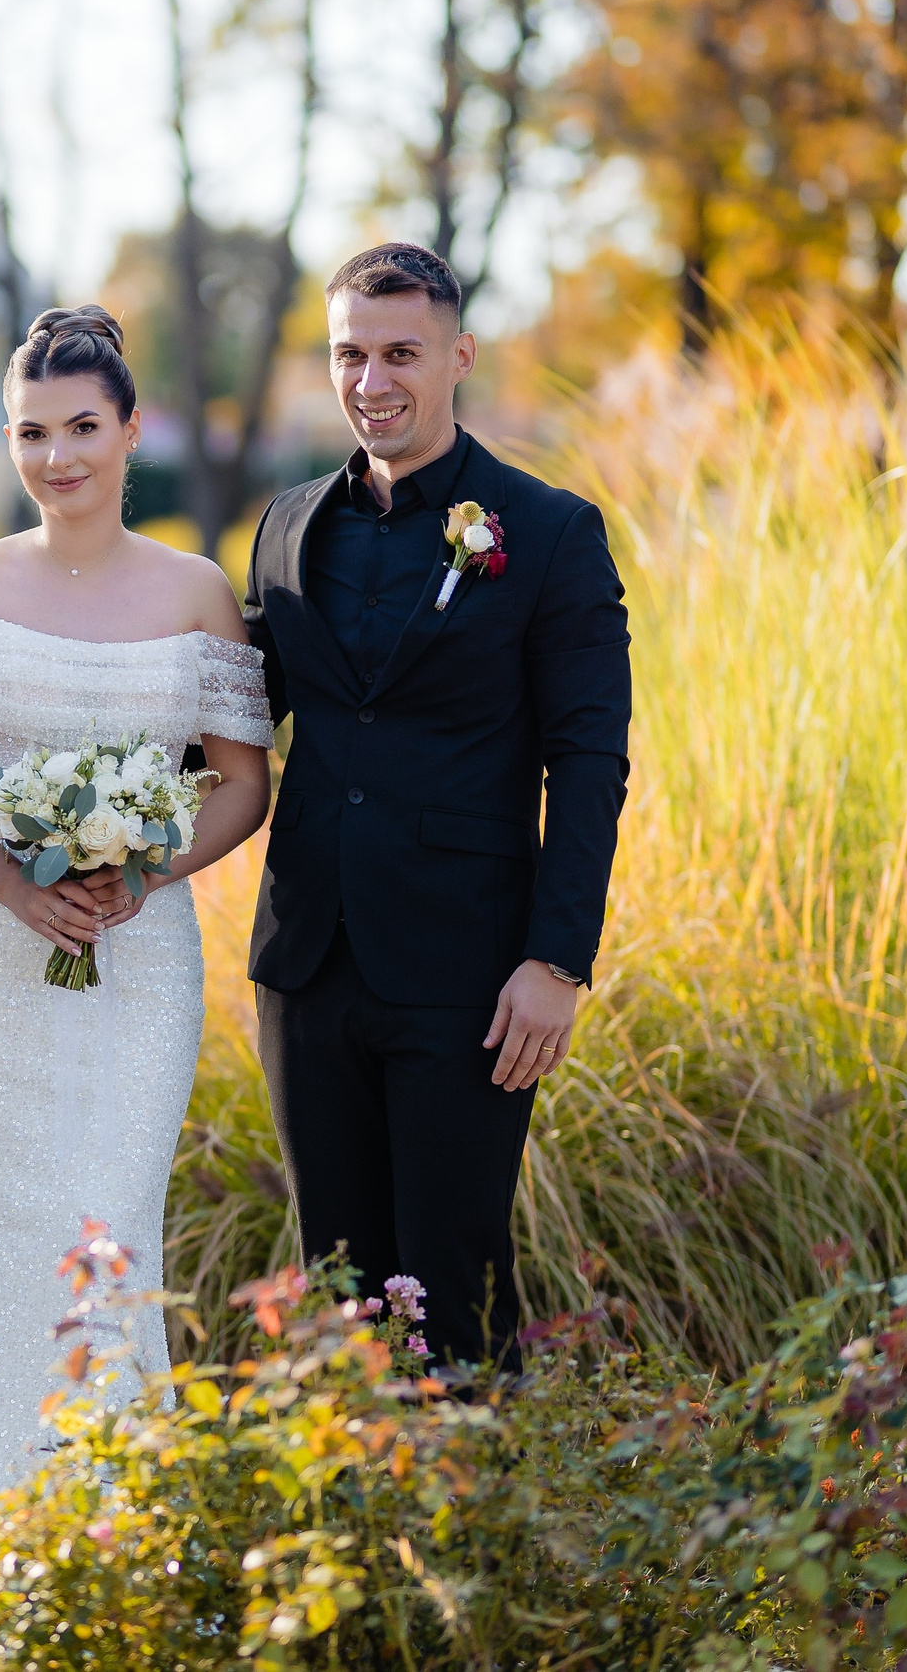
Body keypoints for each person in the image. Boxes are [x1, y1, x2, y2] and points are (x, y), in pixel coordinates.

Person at [0, 306, 275, 1571]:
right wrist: (9, 879)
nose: (58, 457)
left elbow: (245, 785)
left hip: (137, 963)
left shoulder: (197, 590)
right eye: (32, 432)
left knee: (109, 1237)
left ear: (131, 429)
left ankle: (105, 1563)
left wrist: (148, 870)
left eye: (82, 428)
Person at [242, 243, 631, 1369]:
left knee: (450, 1294)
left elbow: (589, 762)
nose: (371, 381)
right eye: (348, 355)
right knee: (343, 1293)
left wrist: (556, 962)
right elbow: (233, 719)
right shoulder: (285, 524)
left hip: (470, 978)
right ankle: (363, 1537)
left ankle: (471, 1534)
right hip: (308, 962)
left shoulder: (549, 530)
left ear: (457, 356)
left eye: (399, 353)